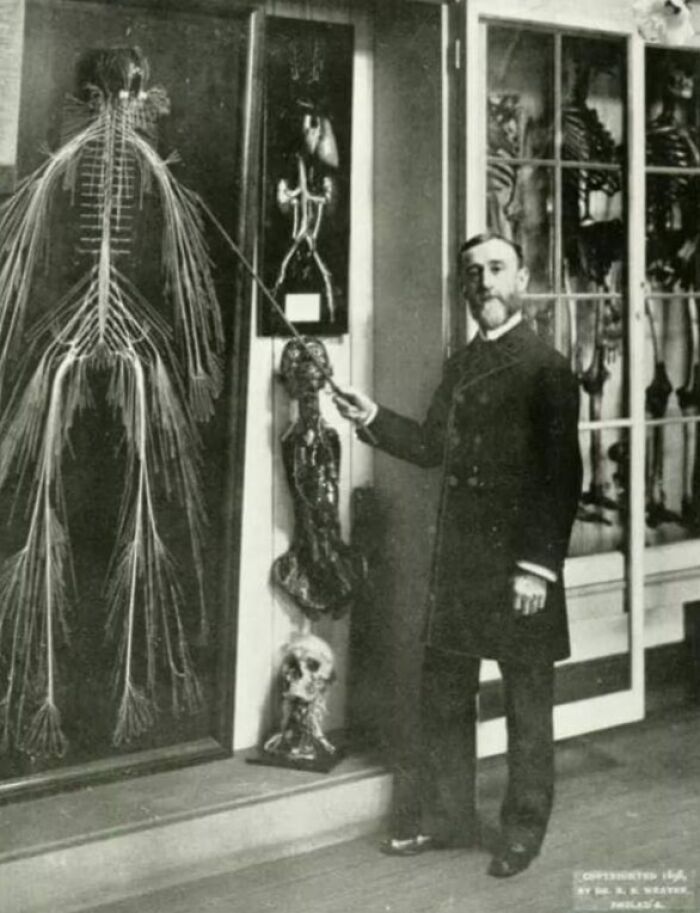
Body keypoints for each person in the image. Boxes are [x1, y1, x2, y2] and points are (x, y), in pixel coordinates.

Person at [334, 232, 583, 878]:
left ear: (522, 280)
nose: (484, 283)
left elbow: (561, 476)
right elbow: (428, 446)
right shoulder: (463, 364)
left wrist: (536, 567)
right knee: (446, 691)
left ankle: (523, 829)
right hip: (463, 565)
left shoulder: (546, 367)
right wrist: (371, 417)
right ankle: (449, 817)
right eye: (472, 274)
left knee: (528, 702)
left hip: (521, 569)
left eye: (497, 269)